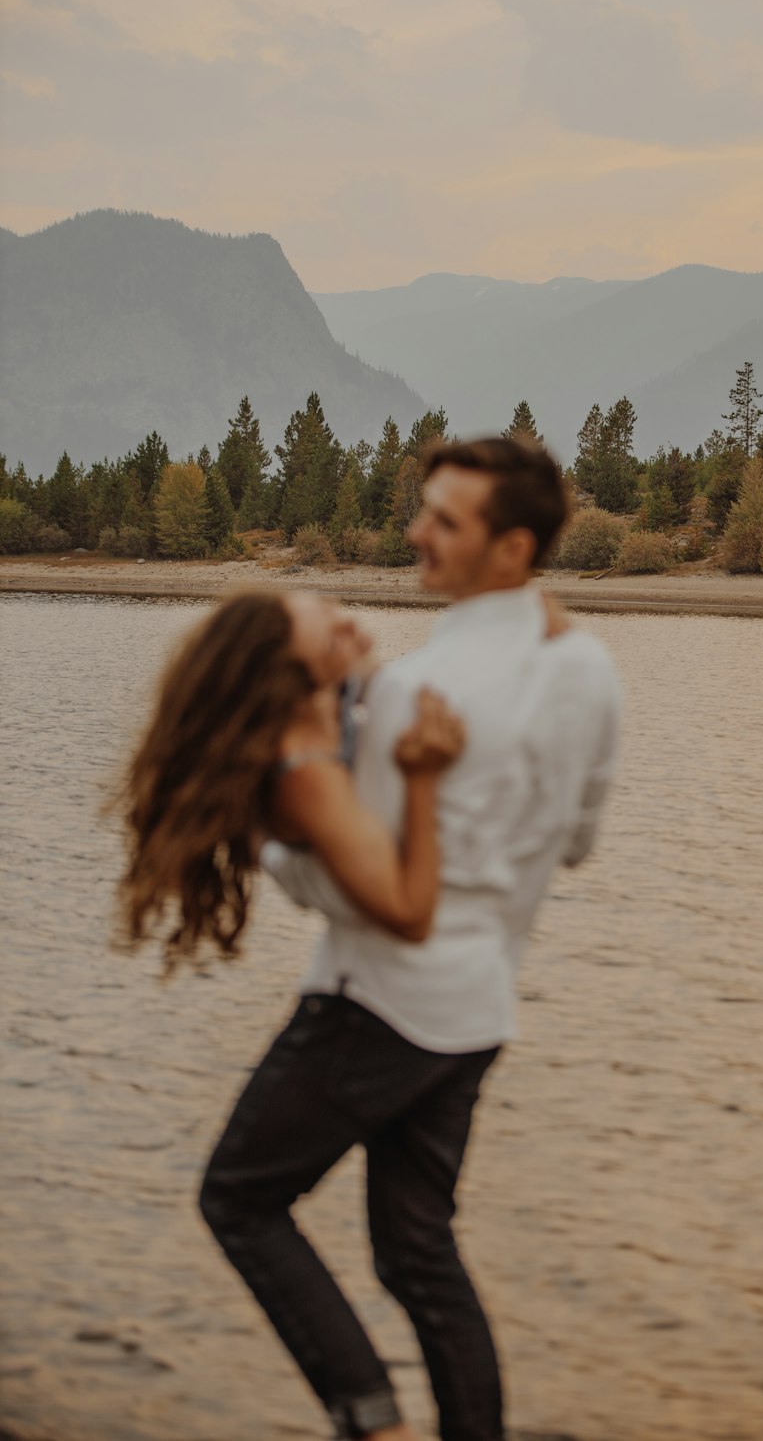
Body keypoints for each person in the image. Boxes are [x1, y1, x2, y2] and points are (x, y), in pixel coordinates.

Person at [198, 437, 622, 1441]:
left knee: (239, 1199)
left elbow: (367, 889)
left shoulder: (408, 695)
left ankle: (370, 1421)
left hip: (378, 1002)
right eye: (423, 509)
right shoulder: (590, 668)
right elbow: (575, 848)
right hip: (478, 1010)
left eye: (443, 519)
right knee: (416, 1251)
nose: (414, 532)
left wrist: (270, 844)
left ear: (511, 549)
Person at [116, 586, 465, 969]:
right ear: (296, 691)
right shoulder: (307, 774)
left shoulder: (322, 701)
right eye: (334, 640)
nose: (350, 622)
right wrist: (422, 778)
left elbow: (369, 671)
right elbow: (411, 915)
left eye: (329, 606)